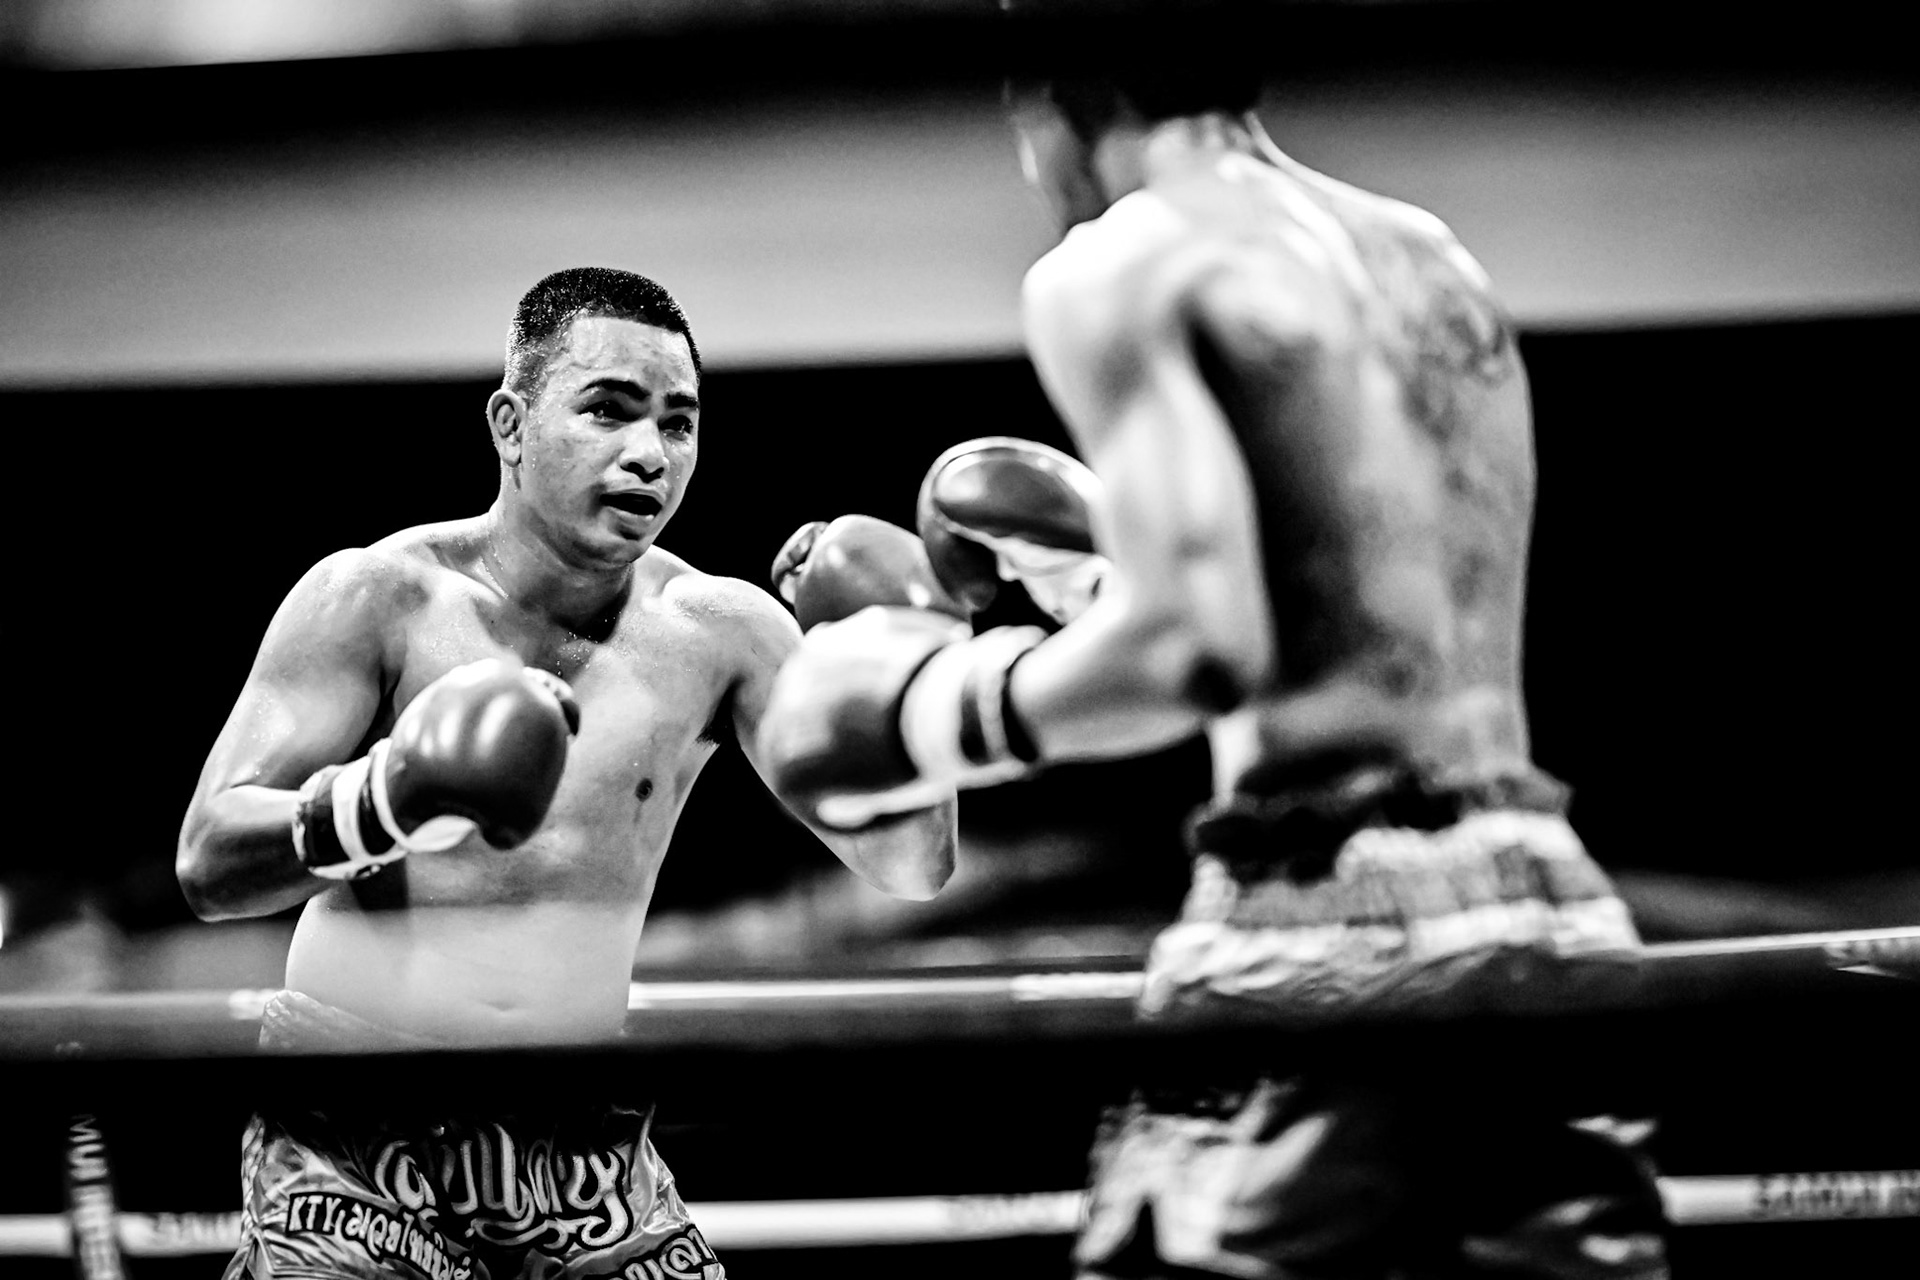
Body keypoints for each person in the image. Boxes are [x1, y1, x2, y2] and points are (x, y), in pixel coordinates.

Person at [754, 15, 1670, 1279]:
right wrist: (1104, 585)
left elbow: (1197, 647)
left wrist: (925, 705)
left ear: (1051, 96)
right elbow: (1363, 621)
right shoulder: (1429, 257)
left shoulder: (1122, 263)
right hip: (1552, 909)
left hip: (1325, 927)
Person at [176, 266, 958, 1280]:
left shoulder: (723, 633)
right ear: (509, 422)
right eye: (609, 409)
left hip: (585, 1147)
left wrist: (921, 671)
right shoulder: (376, 596)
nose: (650, 454)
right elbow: (209, 857)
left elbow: (909, 863)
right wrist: (386, 799)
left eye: (679, 423)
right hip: (356, 1130)